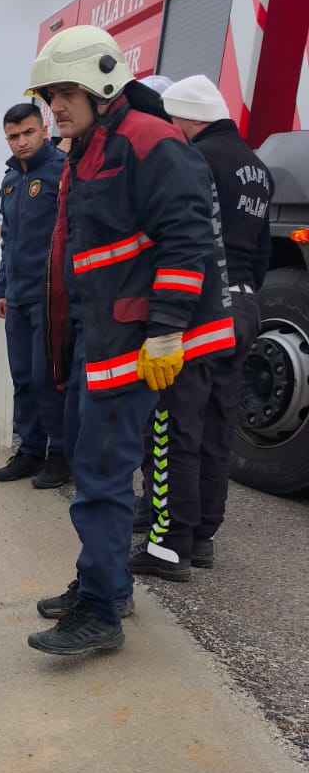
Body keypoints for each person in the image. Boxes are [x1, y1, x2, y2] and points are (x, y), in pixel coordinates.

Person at [24, 27, 233, 658]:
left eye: (65, 93)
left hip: (136, 343)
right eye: (49, 95)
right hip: (105, 336)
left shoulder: (147, 140)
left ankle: (100, 609)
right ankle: (105, 584)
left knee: (102, 475)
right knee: (94, 466)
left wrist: (166, 330)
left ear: (102, 84)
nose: (55, 107)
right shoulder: (91, 148)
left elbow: (187, 240)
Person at [128, 74, 272, 579]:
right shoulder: (257, 167)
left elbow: (182, 236)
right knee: (217, 424)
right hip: (245, 306)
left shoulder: (193, 158)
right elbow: (263, 251)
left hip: (202, 305)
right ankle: (203, 534)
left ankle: (169, 544)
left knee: (172, 425)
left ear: (188, 119)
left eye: (172, 120)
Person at [0, 101, 70, 488]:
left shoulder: (62, 171)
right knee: (22, 376)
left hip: (52, 296)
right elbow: (9, 240)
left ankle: (61, 455)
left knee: (48, 376)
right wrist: (2, 289)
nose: (21, 142)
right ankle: (31, 450)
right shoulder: (10, 179)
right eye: (13, 136)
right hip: (18, 296)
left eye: (28, 133)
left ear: (44, 130)